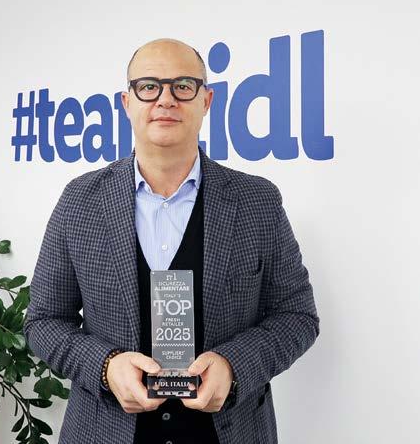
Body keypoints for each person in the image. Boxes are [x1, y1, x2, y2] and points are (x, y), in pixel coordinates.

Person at [23, 38, 320, 444]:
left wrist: (233, 366)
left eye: (183, 86)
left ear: (207, 100)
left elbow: (297, 316)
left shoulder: (257, 202)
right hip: (104, 432)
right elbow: (43, 321)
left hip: (229, 433)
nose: (165, 99)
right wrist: (106, 367)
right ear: (127, 102)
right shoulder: (80, 201)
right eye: (149, 86)